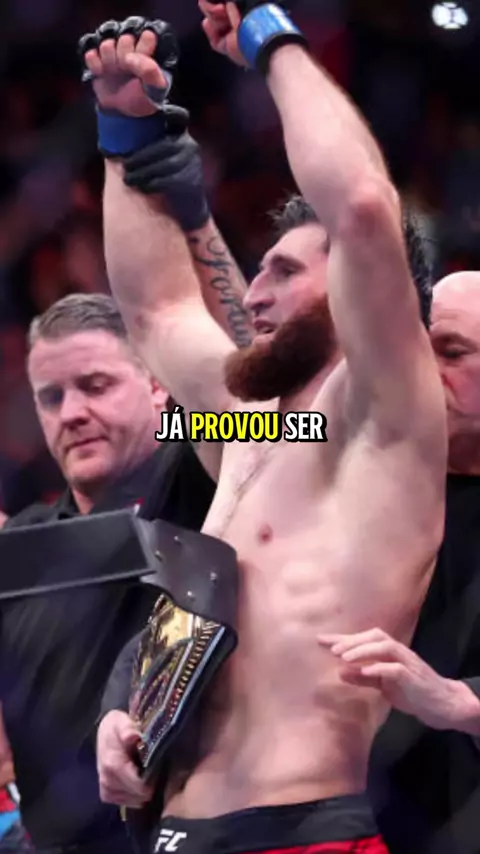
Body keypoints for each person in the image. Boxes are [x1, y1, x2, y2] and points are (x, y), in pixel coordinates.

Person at [82, 4, 448, 853]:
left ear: (354, 288)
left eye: (282, 271)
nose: (252, 295)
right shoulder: (248, 428)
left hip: (301, 828)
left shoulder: (383, 419)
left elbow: (362, 205)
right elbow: (157, 309)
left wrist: (268, 36)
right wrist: (122, 130)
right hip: (174, 831)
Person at [0, 292, 218, 854]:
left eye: (95, 386)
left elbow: (295, 427)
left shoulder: (200, 476)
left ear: (156, 386)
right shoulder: (23, 539)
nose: (71, 413)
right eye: (51, 397)